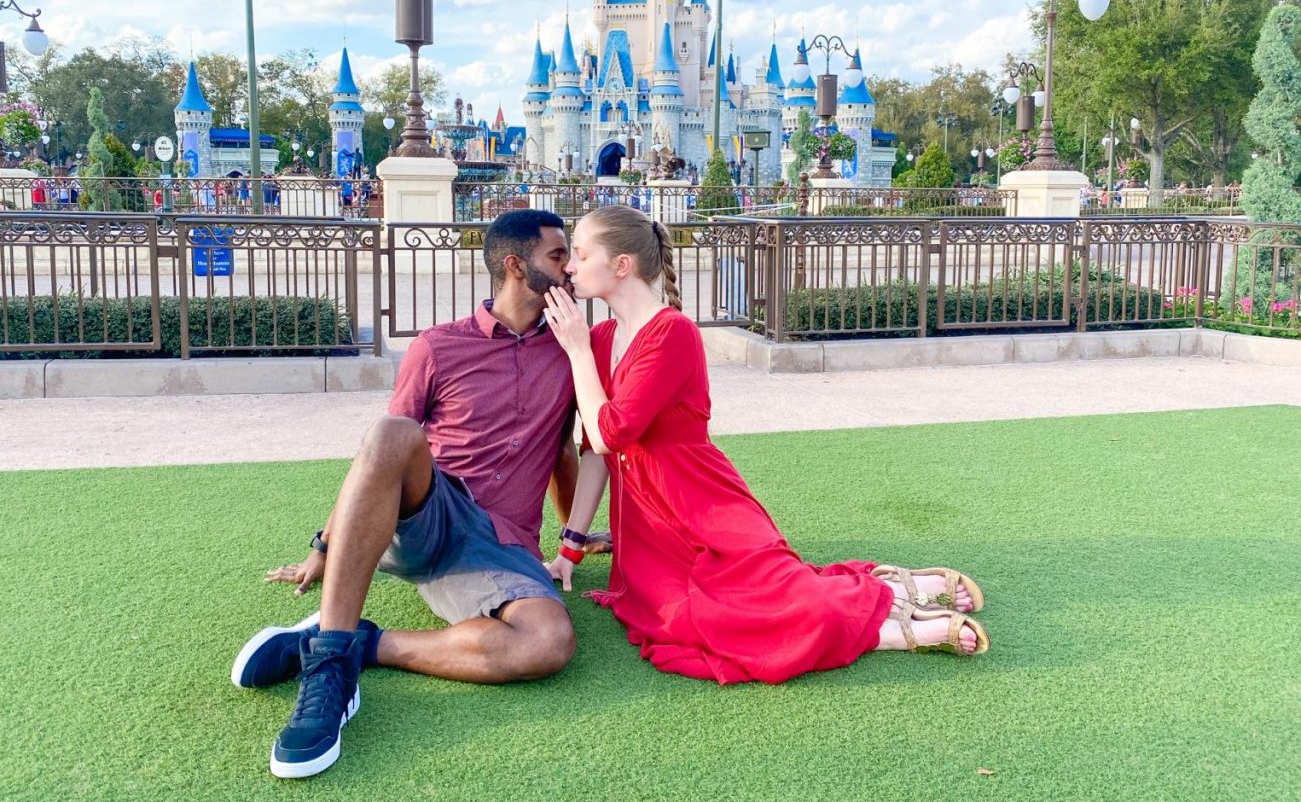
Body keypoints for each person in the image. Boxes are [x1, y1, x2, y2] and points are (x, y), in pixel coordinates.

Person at [540, 205, 989, 686]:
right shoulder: (604, 337)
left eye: (581, 254)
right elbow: (596, 452)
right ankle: (889, 596)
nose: (569, 267)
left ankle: (892, 618)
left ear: (622, 265)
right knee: (688, 623)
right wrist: (570, 550)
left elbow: (612, 431)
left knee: (762, 605)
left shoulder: (672, 333)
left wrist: (577, 351)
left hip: (702, 506)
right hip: (650, 536)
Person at [231, 210, 601, 778]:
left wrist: (572, 544)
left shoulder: (572, 351)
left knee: (547, 643)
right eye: (558, 257)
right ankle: (329, 668)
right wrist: (324, 547)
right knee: (393, 431)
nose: (571, 268)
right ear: (515, 266)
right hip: (429, 516)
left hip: (501, 548)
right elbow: (379, 460)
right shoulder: (439, 346)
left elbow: (562, 453)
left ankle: (361, 642)